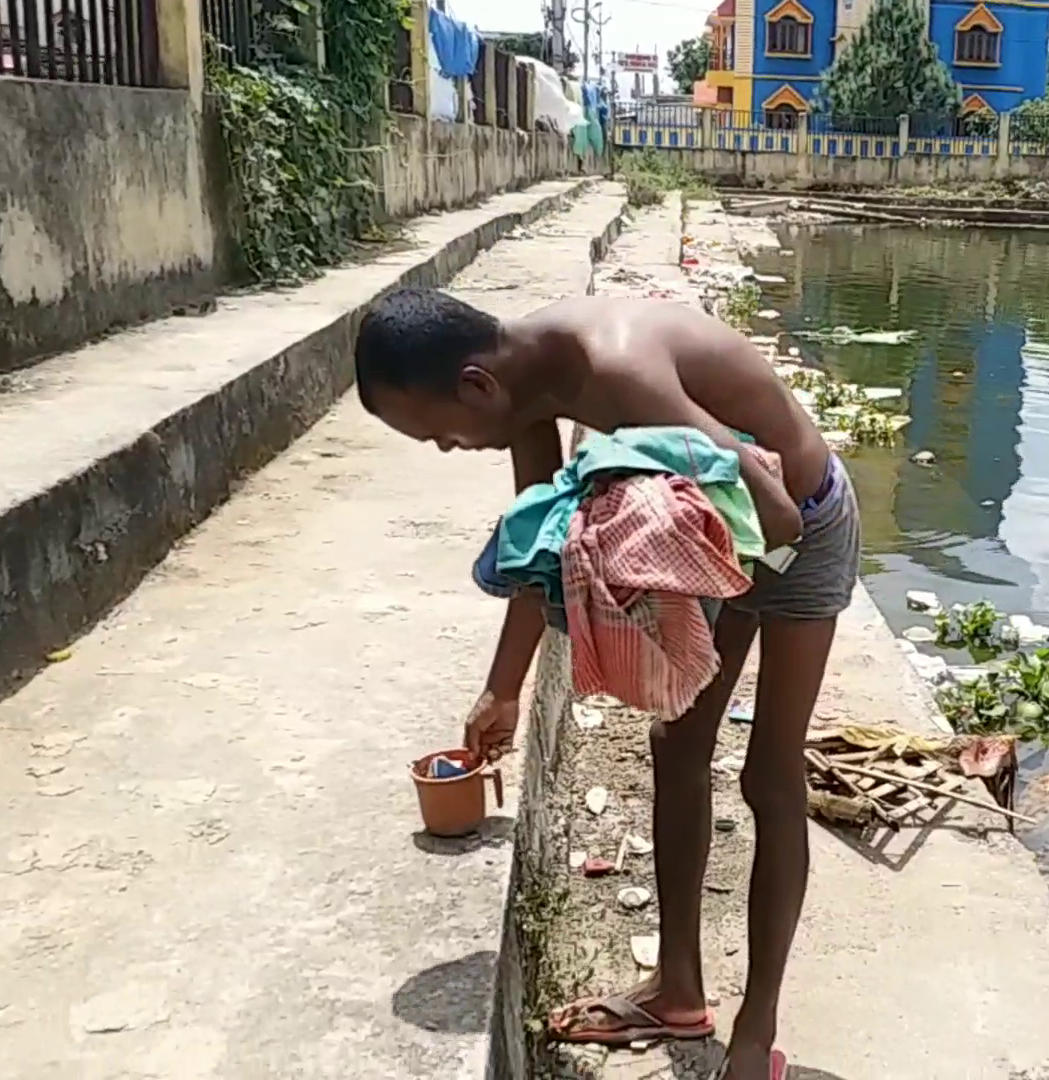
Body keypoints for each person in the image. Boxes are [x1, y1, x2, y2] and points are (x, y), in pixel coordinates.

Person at [354, 288, 861, 1080]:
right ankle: (679, 991)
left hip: (803, 526)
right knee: (677, 743)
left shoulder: (617, 368)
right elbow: (540, 541)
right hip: (719, 545)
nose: (452, 449)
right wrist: (504, 688)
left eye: (443, 437)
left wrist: (638, 508)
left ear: (475, 386)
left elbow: (776, 515)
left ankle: (756, 1036)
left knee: (770, 776)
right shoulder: (523, 393)